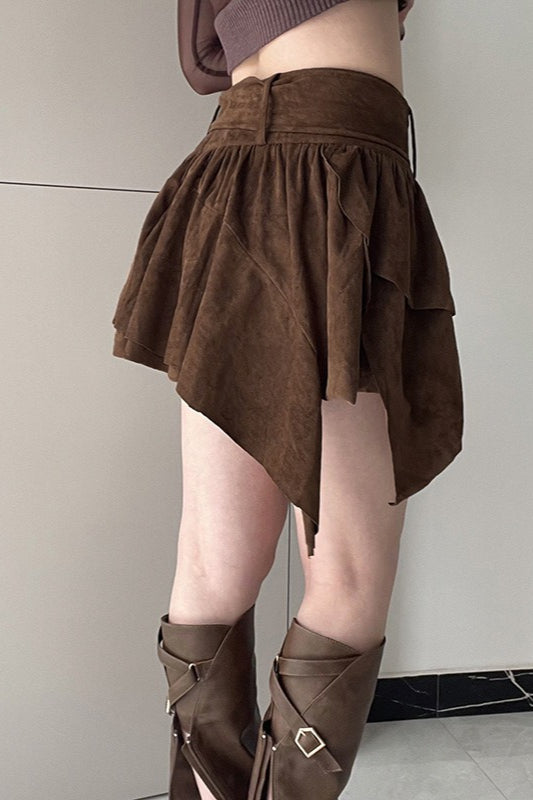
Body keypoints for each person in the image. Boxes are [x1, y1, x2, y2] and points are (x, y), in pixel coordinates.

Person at [111, 1, 463, 798]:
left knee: (213, 564)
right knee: (345, 576)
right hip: (330, 169)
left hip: (238, 174)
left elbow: (202, 56)